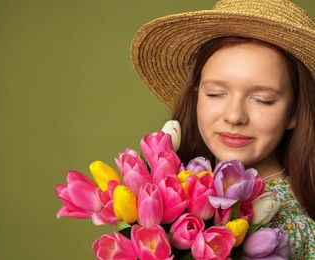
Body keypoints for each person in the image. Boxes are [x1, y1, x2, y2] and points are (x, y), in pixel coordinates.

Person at [130, 0, 314, 258]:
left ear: (294, 112)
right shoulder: (173, 193)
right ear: (196, 97)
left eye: (263, 99)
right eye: (216, 94)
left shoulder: (288, 230)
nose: (234, 116)